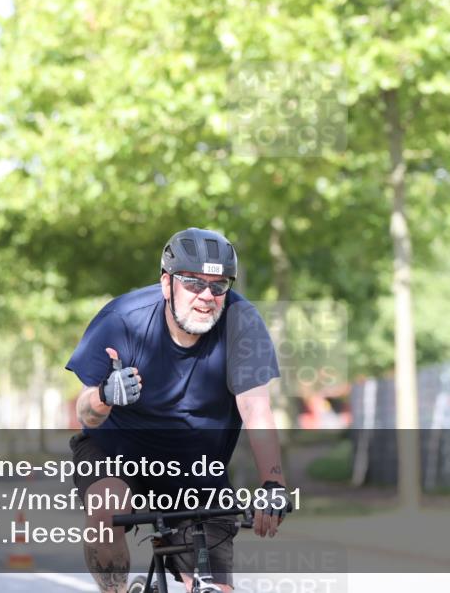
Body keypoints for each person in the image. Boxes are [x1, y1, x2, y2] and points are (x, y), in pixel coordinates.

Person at [66, 228, 289, 593]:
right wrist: (106, 395)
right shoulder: (123, 318)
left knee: (212, 588)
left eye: (219, 286)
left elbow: (256, 409)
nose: (206, 296)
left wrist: (273, 484)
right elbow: (85, 413)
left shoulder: (242, 323)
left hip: (197, 466)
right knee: (107, 514)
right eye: (193, 283)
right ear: (167, 283)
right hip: (117, 452)